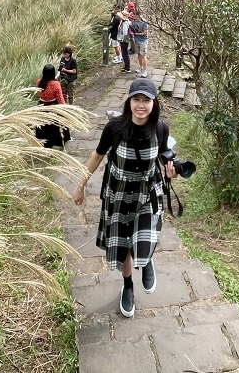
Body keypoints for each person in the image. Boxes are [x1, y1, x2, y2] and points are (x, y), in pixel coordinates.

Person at [72, 78, 178, 319]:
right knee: (124, 246)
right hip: (118, 194)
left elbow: (163, 156)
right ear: (129, 101)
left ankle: (147, 258)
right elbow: (97, 156)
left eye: (146, 100)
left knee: (144, 236)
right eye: (136, 99)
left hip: (146, 193)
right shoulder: (115, 128)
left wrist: (170, 171)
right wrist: (80, 186)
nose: (141, 105)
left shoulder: (160, 128)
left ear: (154, 103)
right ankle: (128, 285)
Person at [34, 64, 69, 148]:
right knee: (55, 125)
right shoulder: (56, 84)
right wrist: (65, 108)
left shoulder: (39, 82)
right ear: (53, 73)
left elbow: (40, 94)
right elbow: (60, 98)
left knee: (43, 125)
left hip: (41, 105)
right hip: (53, 106)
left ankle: (43, 142)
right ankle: (56, 142)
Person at [131, 12, 149, 77]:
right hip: (136, 40)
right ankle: (140, 66)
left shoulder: (144, 22)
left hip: (143, 41)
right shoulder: (134, 21)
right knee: (138, 54)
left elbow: (145, 33)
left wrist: (137, 34)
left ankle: (145, 71)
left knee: (143, 55)